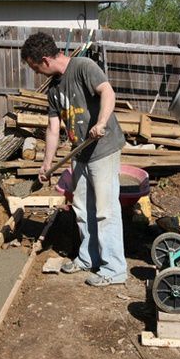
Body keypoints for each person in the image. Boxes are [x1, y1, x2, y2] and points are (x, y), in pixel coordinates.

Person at [21, 32, 127, 287]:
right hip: (79, 152)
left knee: (105, 211)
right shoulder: (54, 88)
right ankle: (88, 257)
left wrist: (101, 122)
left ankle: (114, 268)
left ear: (45, 60)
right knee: (81, 209)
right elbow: (53, 128)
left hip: (102, 148)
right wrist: (47, 163)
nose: (36, 72)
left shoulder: (83, 67)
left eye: (35, 67)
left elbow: (107, 92)